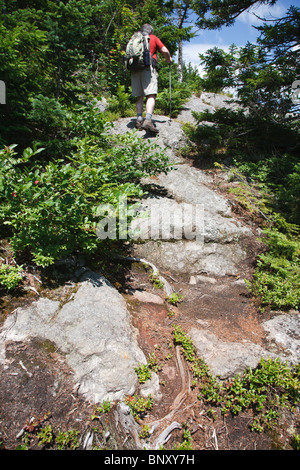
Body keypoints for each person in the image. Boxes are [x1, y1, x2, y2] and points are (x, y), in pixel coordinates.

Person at [131, 24, 172, 134]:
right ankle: (148, 120)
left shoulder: (135, 38)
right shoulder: (153, 38)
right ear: (151, 31)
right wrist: (169, 59)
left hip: (135, 69)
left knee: (140, 95)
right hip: (148, 68)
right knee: (151, 94)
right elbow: (164, 50)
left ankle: (139, 120)